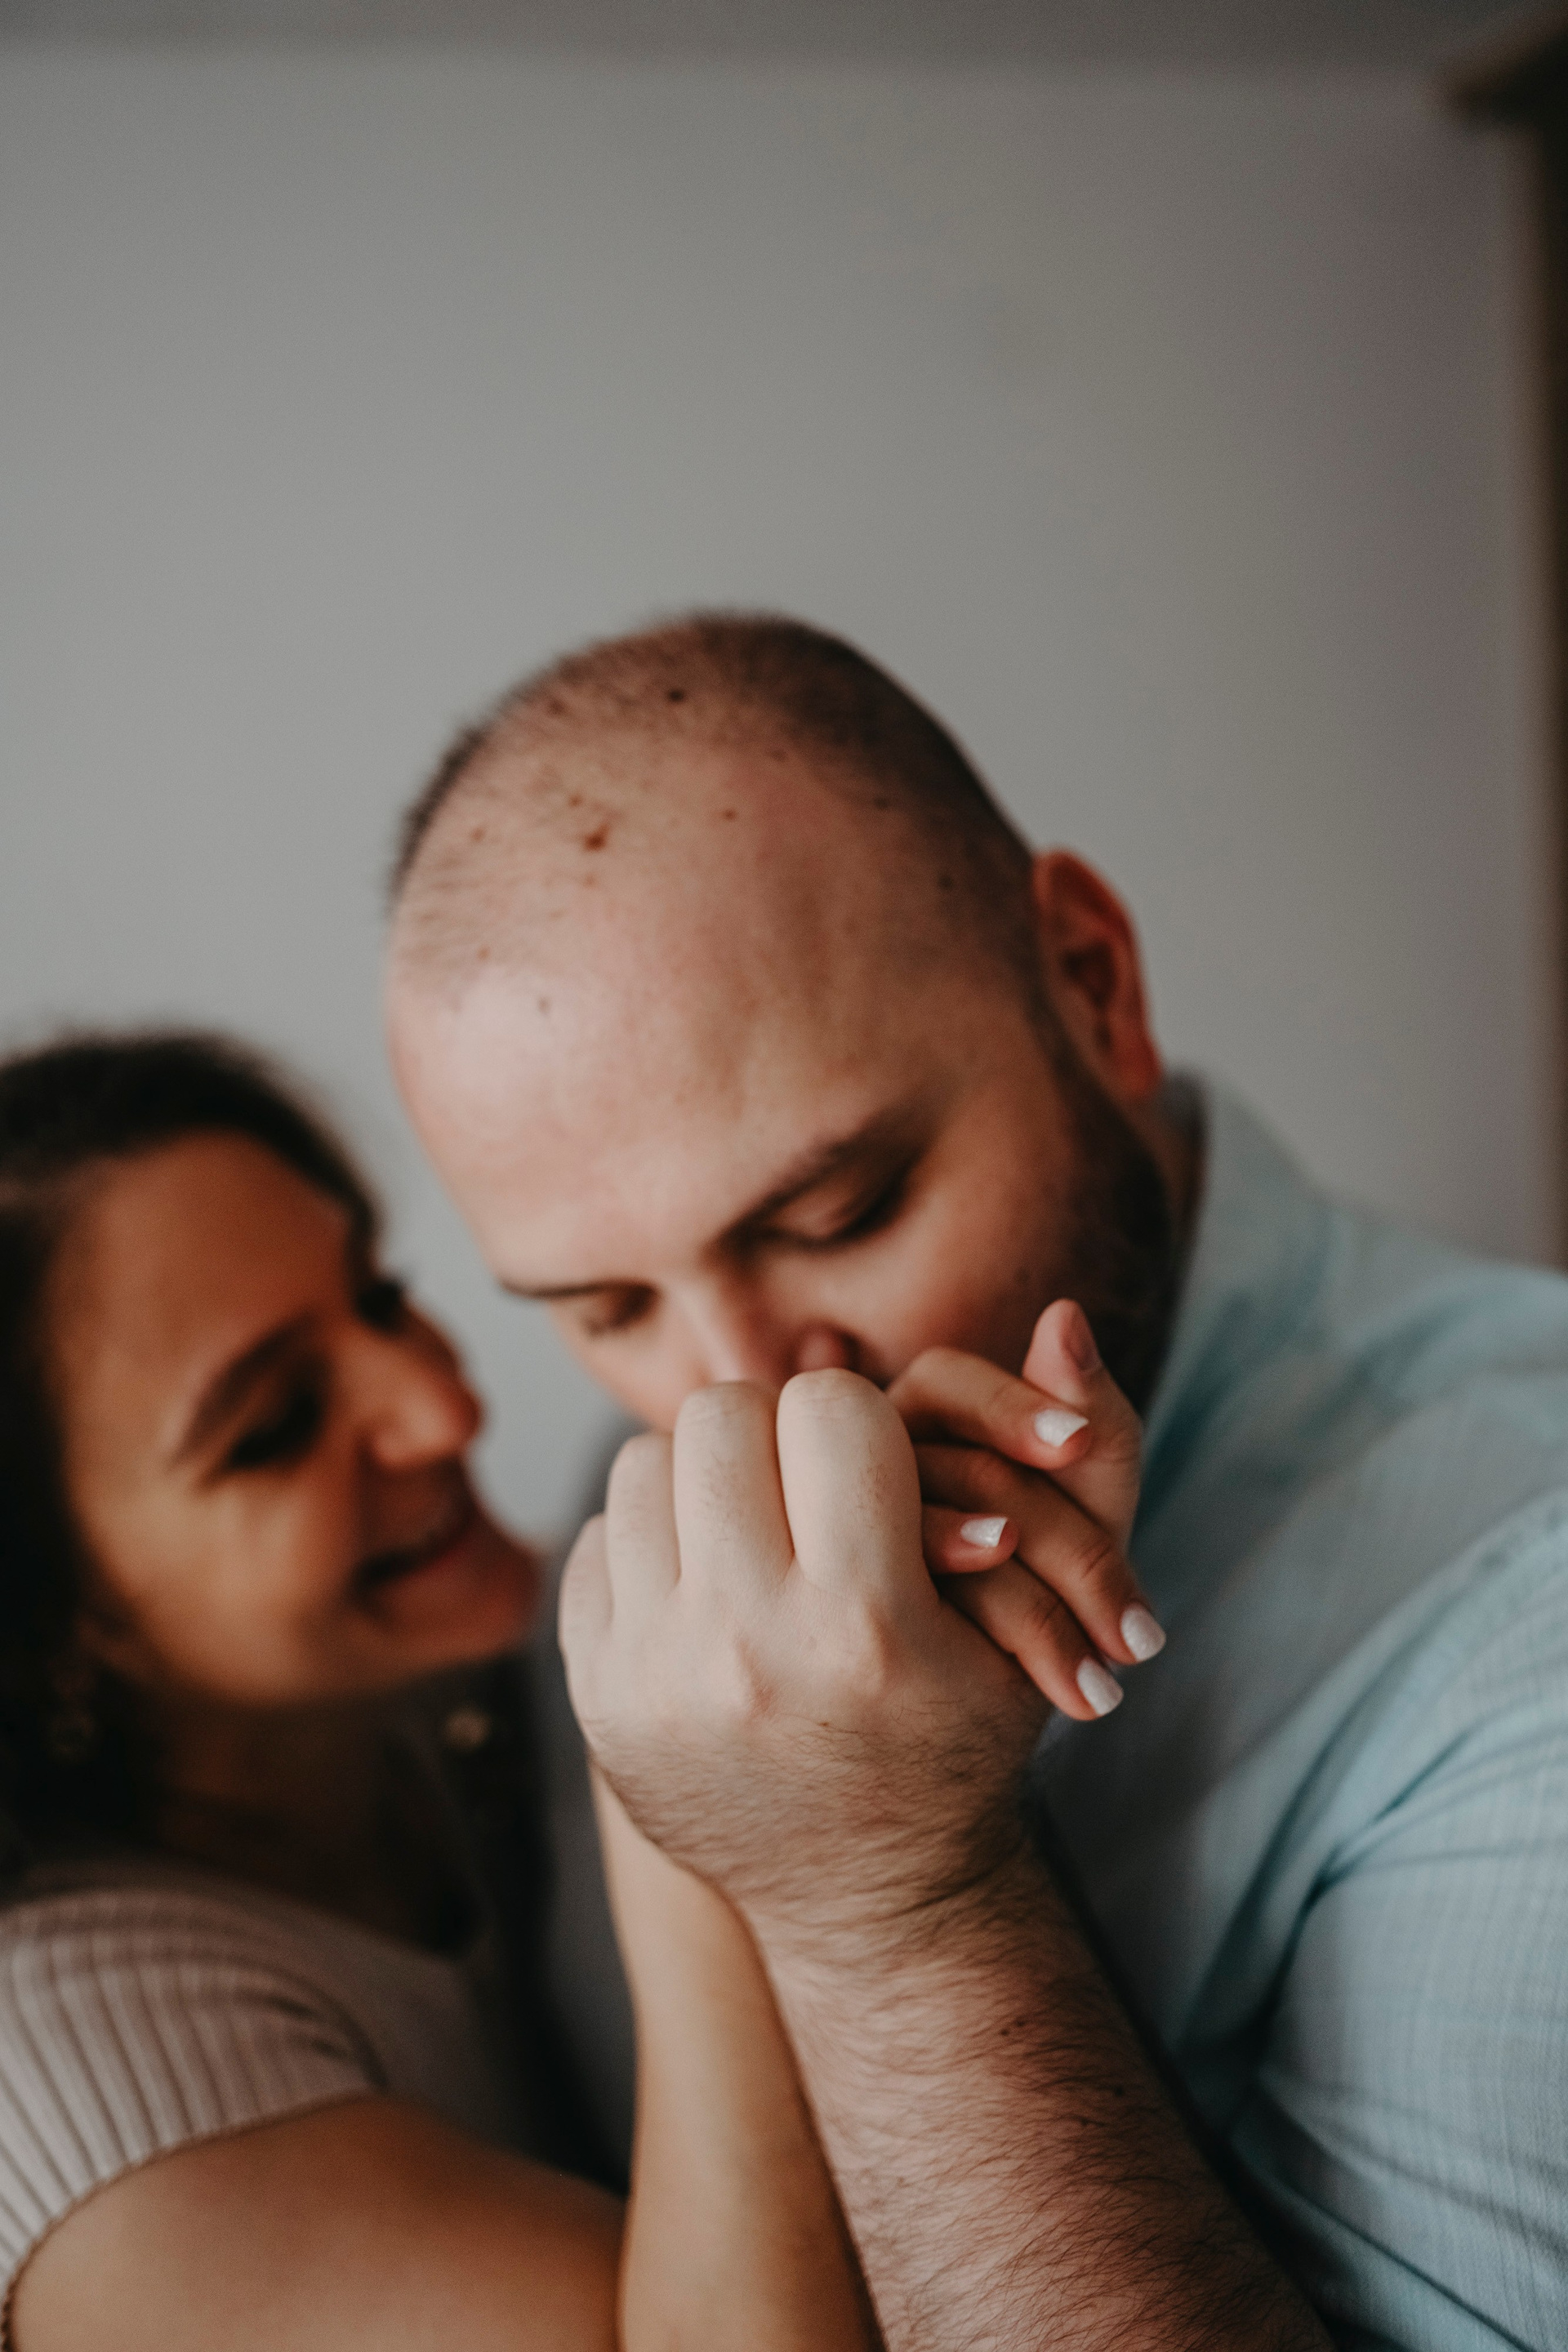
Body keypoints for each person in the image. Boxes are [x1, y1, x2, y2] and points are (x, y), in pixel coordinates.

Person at [388, 612, 1568, 2352]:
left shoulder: (1526, 1600)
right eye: (606, 1308)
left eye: (838, 1215)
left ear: (1092, 985)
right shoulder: (660, 1464)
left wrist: (893, 1907)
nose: (747, 1391)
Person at [0, 1029, 897, 2351]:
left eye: (378, 1295)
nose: (442, 1406)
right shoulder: (79, 2103)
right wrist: (677, 1804)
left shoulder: (430, 1694)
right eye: (274, 1427)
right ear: (52, 1628)